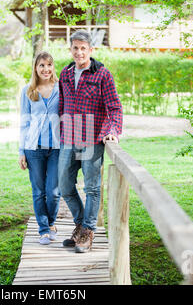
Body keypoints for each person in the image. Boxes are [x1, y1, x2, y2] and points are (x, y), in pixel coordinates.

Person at [58, 30, 123, 253]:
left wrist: (112, 130)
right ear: (71, 49)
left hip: (92, 139)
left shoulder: (102, 74)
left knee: (92, 188)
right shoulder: (65, 73)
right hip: (68, 138)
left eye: (83, 48)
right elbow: (62, 106)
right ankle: (79, 224)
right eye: (75, 48)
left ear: (90, 50)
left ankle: (87, 231)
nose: (79, 52)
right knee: (65, 186)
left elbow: (114, 107)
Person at [19, 51, 61, 245]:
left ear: (53, 67)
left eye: (49, 65)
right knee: (38, 191)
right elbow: (24, 122)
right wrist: (21, 151)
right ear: (35, 68)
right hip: (33, 148)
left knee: (53, 191)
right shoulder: (28, 90)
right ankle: (44, 229)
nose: (46, 69)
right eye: (41, 65)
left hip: (57, 148)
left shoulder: (62, 88)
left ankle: (51, 223)